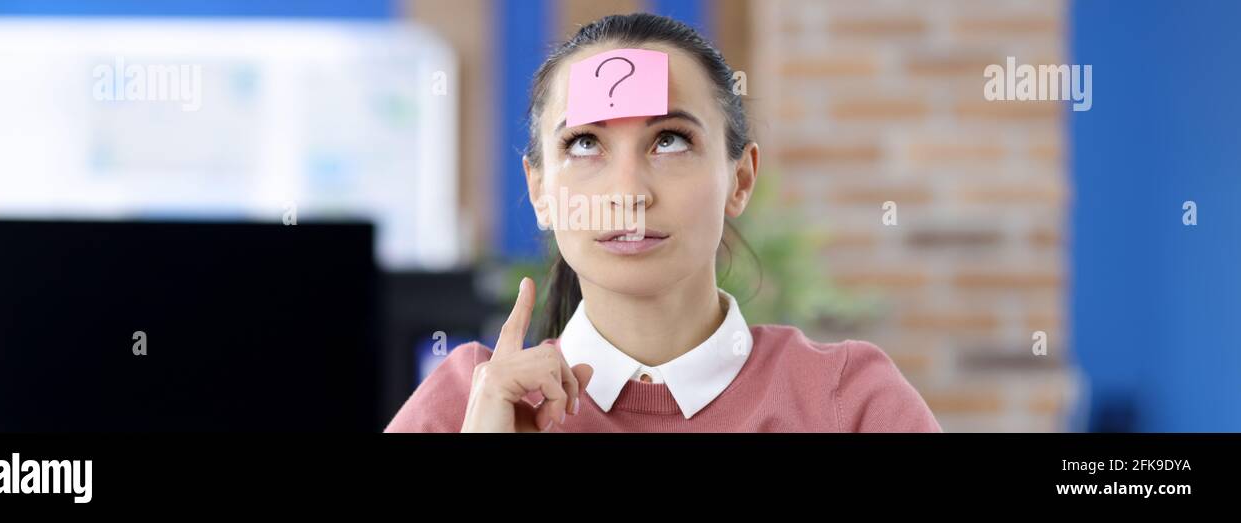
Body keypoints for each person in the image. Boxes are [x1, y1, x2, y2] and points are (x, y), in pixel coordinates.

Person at [385, 13, 941, 433]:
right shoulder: (465, 403)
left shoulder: (849, 402)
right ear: (539, 191)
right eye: (585, 144)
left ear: (741, 179)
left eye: (669, 141)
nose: (627, 193)